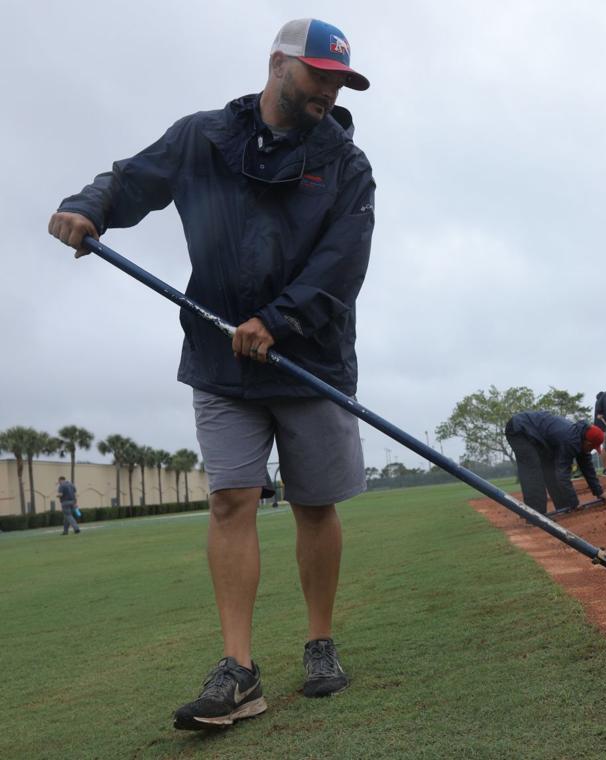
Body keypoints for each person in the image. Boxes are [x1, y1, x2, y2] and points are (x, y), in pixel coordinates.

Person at [48, 18, 374, 729]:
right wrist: (88, 206)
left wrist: (279, 320)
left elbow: (341, 265)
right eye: (318, 74)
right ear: (277, 65)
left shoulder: (346, 164)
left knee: (316, 505)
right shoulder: (203, 138)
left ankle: (320, 644)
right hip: (219, 357)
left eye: (339, 81)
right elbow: (131, 180)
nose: (328, 89)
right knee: (231, 500)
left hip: (309, 357)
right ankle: (240, 670)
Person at [504, 412, 606, 514]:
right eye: (592, 447)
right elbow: (562, 475)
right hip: (520, 429)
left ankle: (563, 508)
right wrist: (574, 502)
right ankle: (535, 516)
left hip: (538, 438)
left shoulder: (581, 437)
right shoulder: (570, 440)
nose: (591, 450)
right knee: (533, 470)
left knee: (550, 469)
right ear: (587, 442)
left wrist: (599, 492)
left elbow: (587, 467)